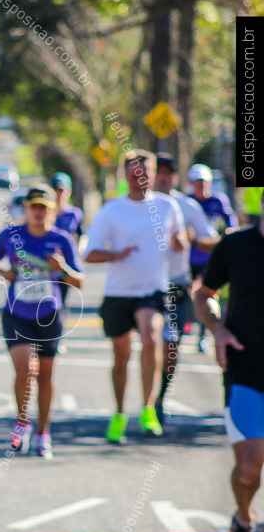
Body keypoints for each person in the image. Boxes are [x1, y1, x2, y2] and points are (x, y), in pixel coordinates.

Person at [84, 150, 184, 443]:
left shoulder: (168, 207)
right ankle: (118, 414)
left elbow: (180, 240)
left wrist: (181, 243)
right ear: (125, 176)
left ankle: (148, 408)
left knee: (152, 338)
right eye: (134, 174)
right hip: (118, 293)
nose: (140, 179)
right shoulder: (111, 211)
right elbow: (89, 253)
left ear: (153, 175)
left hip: (152, 290)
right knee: (121, 358)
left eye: (145, 173)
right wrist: (118, 254)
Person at [192, 211, 264, 532]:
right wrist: (217, 329)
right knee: (250, 468)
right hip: (246, 373)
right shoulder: (235, 246)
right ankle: (243, 520)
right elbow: (204, 294)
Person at [0, 185, 83, 458]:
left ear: (51, 210)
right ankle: (21, 423)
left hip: (48, 315)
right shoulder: (11, 235)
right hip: (17, 314)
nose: (38, 212)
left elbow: (80, 281)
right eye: (34, 207)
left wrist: (61, 269)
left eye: (44, 208)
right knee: (26, 368)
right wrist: (6, 273)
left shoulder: (61, 240)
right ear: (26, 209)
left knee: (46, 376)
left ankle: (43, 431)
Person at [152, 154, 218, 423]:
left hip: (175, 285)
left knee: (170, 346)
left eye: (169, 172)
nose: (164, 177)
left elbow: (212, 240)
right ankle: (145, 401)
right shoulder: (138, 204)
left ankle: (159, 397)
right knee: (147, 343)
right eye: (159, 172)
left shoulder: (187, 206)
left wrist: (193, 238)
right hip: (142, 287)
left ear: (177, 177)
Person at [188, 164, 238, 353]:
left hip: (211, 258)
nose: (201, 186)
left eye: (204, 182)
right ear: (191, 183)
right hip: (188, 258)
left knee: (207, 294)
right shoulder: (188, 202)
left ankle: (203, 334)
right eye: (197, 182)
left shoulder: (218, 201)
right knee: (188, 295)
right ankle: (183, 328)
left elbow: (230, 224)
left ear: (209, 182)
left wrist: (226, 236)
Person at [50, 172, 84, 244]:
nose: (59, 194)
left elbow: (82, 236)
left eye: (62, 190)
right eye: (57, 190)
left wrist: (78, 251)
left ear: (69, 191)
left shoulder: (74, 213)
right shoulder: (46, 212)